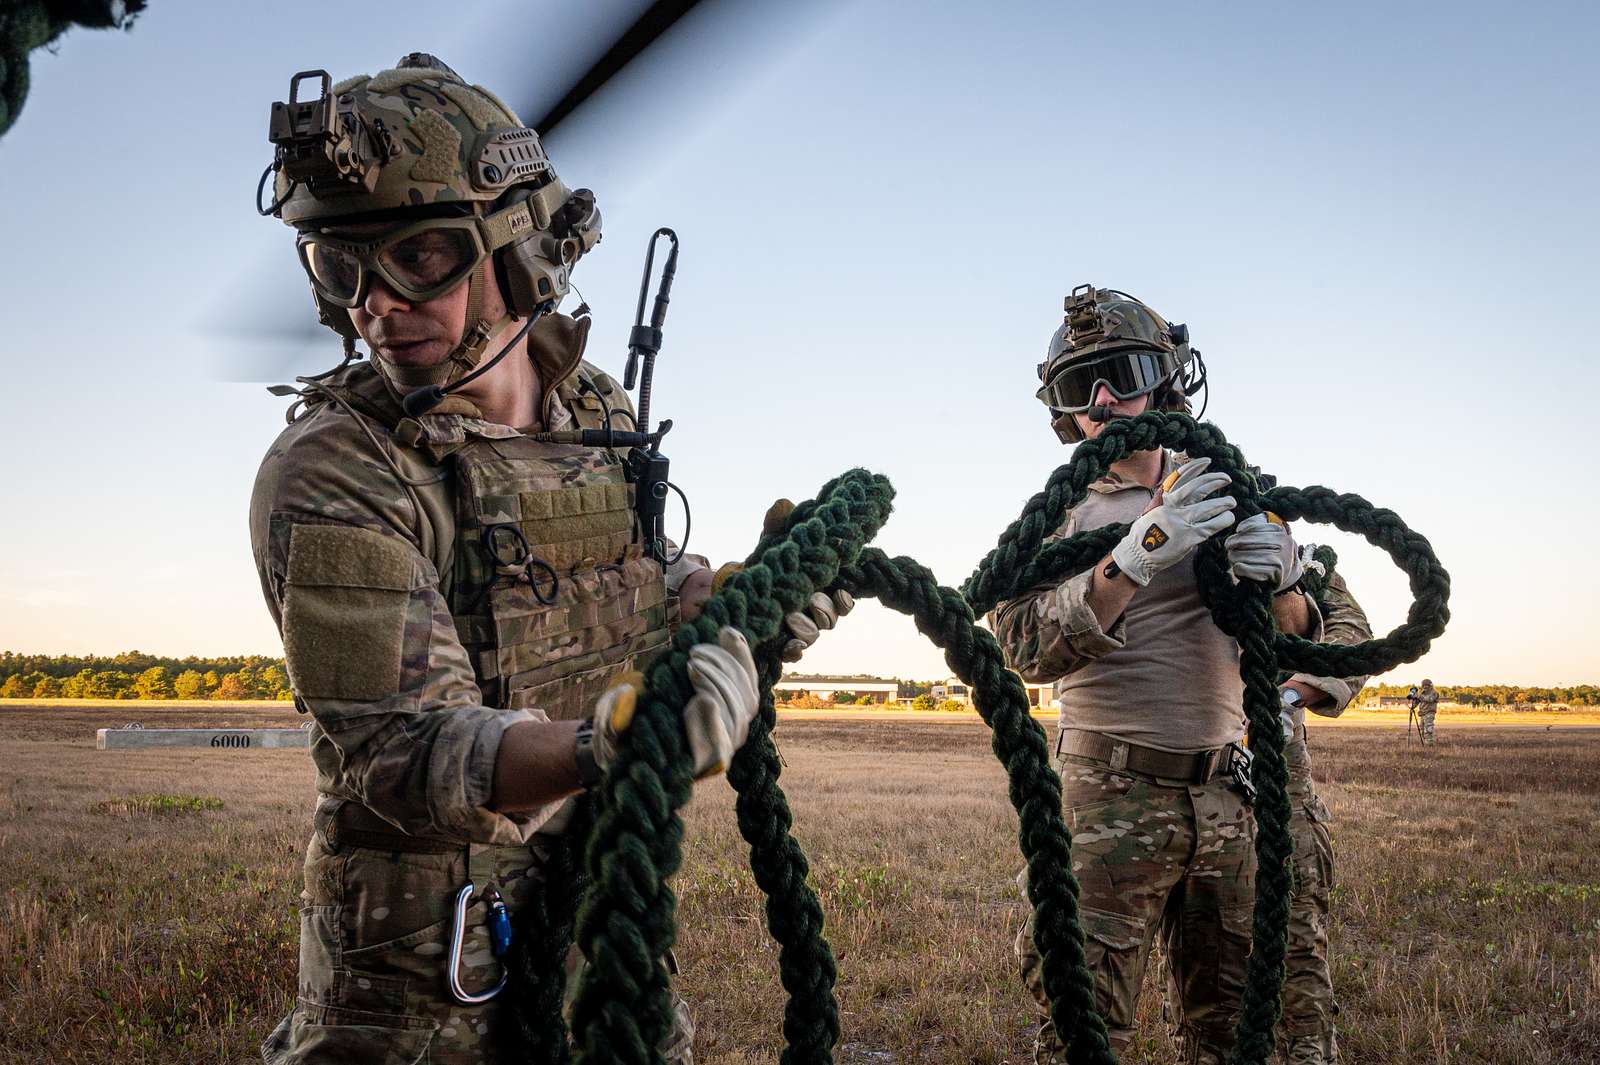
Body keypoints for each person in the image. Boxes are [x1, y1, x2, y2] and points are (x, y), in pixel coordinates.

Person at [249, 54, 843, 1065]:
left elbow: (629, 579)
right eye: (340, 267)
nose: (376, 305)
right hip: (422, 986)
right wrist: (606, 747)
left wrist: (723, 599)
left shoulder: (595, 409)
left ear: (521, 258)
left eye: (421, 257)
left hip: (605, 921)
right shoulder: (335, 468)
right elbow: (399, 754)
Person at [991, 284, 1324, 1064]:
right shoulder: (1057, 520)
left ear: (1166, 379)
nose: (1106, 400)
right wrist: (1133, 557)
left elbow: (1319, 643)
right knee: (1084, 1029)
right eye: (1082, 387)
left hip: (1231, 796)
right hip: (1109, 797)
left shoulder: (1234, 491)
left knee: (1242, 1026)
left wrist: (1283, 584)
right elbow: (1022, 646)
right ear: (1065, 412)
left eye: (1125, 373)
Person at [1159, 555, 1371, 1064]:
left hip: (1277, 786)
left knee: (1296, 953)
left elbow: (1353, 639)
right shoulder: (1169, 549)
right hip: (1183, 781)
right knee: (1205, 975)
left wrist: (1290, 694)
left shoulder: (1301, 562)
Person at [1413, 678, 1440, 745]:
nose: (1425, 688)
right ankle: (1425, 744)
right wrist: (1413, 701)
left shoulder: (1434, 693)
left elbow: (1430, 699)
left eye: (1426, 686)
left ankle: (1429, 745)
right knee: (1422, 729)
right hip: (1422, 713)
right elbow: (1417, 702)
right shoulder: (1422, 693)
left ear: (1429, 686)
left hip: (1429, 713)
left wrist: (1420, 696)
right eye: (1424, 686)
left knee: (1428, 730)